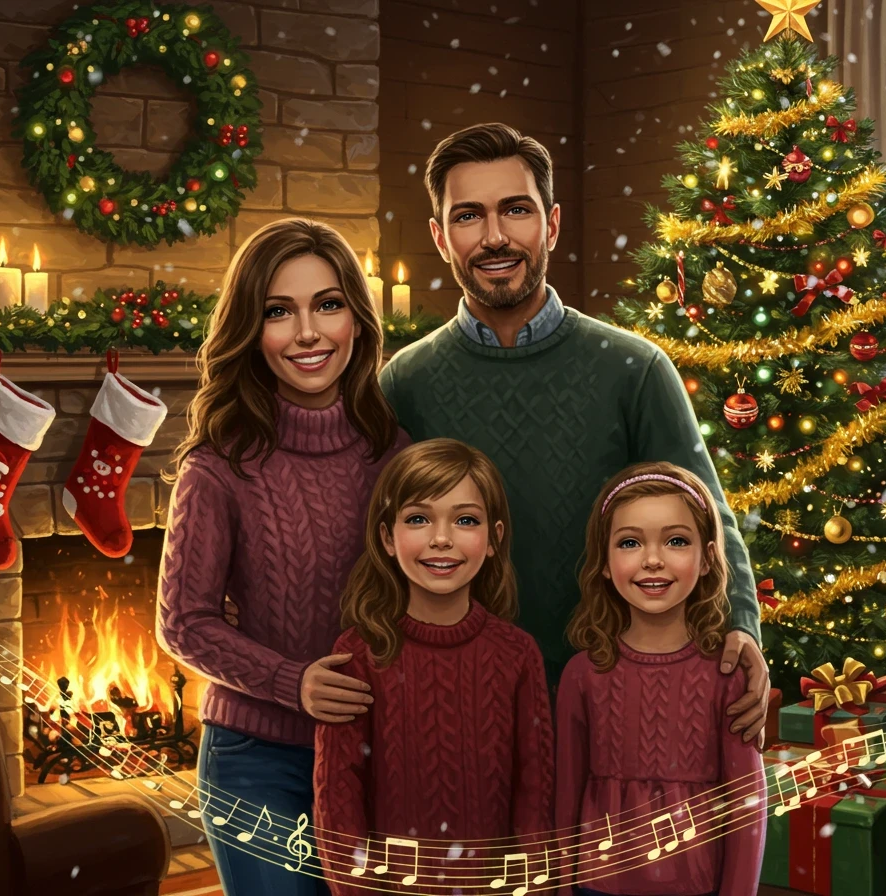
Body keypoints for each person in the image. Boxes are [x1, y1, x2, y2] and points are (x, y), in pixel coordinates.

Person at [379, 122, 770, 742]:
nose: (495, 236)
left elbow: (706, 514)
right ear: (440, 236)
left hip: (612, 694)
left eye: (516, 210)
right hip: (458, 705)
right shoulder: (406, 381)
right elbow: (377, 544)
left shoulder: (632, 368)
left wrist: (741, 622)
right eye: (468, 216)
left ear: (552, 224)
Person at [157, 218, 407, 896]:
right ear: (251, 329)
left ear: (356, 319)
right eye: (278, 311)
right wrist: (292, 683)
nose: (307, 333)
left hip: (376, 753)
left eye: (328, 304)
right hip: (256, 758)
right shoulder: (219, 465)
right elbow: (184, 622)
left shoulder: (397, 454)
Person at [314, 438, 553, 895]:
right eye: (419, 519)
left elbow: (533, 797)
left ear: (493, 539)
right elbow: (339, 807)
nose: (441, 538)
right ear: (387, 538)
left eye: (465, 520)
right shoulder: (358, 655)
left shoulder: (517, 654)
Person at [555, 462, 766, 896]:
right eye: (630, 542)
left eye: (676, 541)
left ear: (707, 558)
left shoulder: (726, 675)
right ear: (605, 564)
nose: (652, 560)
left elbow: (748, 806)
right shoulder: (582, 674)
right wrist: (559, 886)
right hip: (596, 886)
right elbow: (565, 793)